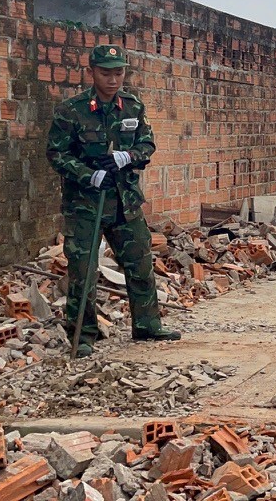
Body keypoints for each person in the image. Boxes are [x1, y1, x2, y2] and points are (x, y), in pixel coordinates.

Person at [46, 44, 180, 357]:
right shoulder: (71, 111)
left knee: (140, 264)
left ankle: (147, 325)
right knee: (83, 271)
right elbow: (56, 154)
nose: (113, 79)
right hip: (85, 206)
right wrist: (88, 175)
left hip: (125, 202)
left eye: (118, 72)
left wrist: (126, 157)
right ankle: (83, 336)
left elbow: (147, 145)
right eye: (106, 72)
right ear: (92, 72)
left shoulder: (132, 107)